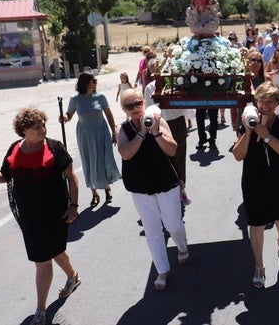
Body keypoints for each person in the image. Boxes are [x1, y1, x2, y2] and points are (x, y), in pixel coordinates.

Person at [0, 108, 81, 325]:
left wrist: (73, 206)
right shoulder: (14, 149)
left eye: (43, 125)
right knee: (54, 251)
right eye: (37, 127)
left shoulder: (54, 147)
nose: (43, 129)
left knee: (43, 261)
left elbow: (71, 176)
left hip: (55, 213)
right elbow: (5, 177)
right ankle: (74, 277)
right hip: (29, 217)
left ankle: (40, 312)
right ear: (24, 130)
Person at [232, 82, 279, 288]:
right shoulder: (246, 122)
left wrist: (267, 136)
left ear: (277, 103)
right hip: (254, 179)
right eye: (261, 101)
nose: (264, 106)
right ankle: (259, 265)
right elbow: (238, 156)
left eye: (269, 102)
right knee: (256, 222)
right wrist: (248, 132)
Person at [117, 88, 189, 290]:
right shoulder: (123, 130)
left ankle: (182, 247)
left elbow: (172, 149)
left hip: (165, 182)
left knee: (173, 224)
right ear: (124, 109)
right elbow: (126, 153)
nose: (135, 109)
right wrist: (141, 133)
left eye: (138, 103)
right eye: (130, 106)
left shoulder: (159, 121)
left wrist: (155, 131)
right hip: (140, 187)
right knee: (152, 230)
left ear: (144, 102)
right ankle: (162, 270)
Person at [60, 72, 121, 206]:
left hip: (101, 131)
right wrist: (64, 117)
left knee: (103, 159)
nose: (96, 83)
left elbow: (109, 115)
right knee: (88, 161)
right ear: (85, 83)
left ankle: (106, 187)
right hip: (85, 134)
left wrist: (114, 132)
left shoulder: (100, 97)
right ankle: (94, 193)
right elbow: (69, 114)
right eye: (94, 81)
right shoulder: (75, 98)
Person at [144, 59, 191, 205]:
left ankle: (180, 187)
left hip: (177, 123)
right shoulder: (149, 88)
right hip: (159, 126)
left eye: (160, 66)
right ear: (151, 72)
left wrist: (188, 119)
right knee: (162, 159)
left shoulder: (175, 83)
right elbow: (148, 108)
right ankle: (165, 191)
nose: (157, 69)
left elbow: (184, 104)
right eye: (154, 67)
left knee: (179, 156)